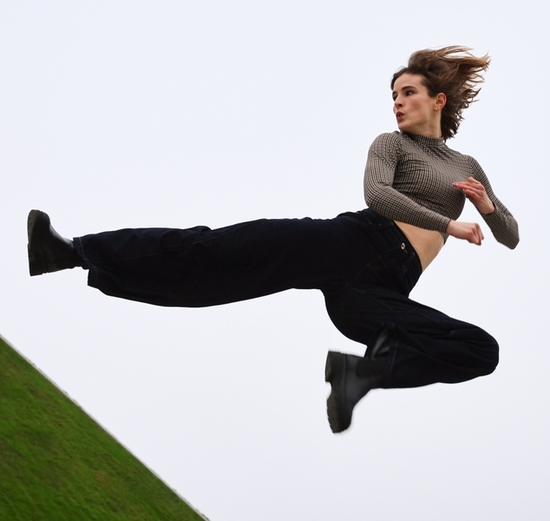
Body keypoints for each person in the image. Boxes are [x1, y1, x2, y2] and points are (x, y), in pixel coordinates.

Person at [27, 46, 519, 434]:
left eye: (408, 93)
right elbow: (377, 195)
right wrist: (447, 225)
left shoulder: (465, 167)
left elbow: (511, 236)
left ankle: (362, 375)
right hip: (349, 242)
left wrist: (487, 207)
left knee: (481, 350)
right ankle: (70, 252)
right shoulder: (390, 144)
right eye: (393, 95)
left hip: (380, 290)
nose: (397, 102)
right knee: (215, 252)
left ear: (438, 100)